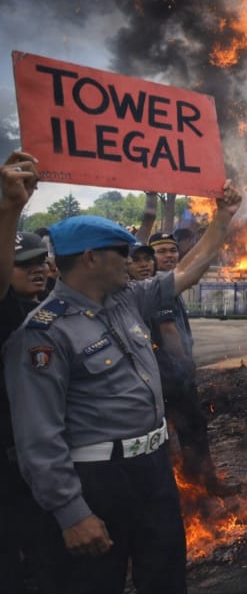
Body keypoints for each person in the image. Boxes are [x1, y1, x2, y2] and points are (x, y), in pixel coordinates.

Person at [3, 183, 241, 594]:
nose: (132, 260)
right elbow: (38, 437)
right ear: (91, 259)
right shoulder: (43, 334)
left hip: (153, 468)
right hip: (97, 480)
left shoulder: (127, 299)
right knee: (95, 581)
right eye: (121, 253)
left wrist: (223, 218)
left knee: (165, 575)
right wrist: (71, 512)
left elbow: (188, 270)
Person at [146, 230, 237, 497]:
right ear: (150, 257)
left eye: (172, 251)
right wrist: (186, 362)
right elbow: (168, 331)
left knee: (188, 430)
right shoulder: (158, 287)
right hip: (168, 377)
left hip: (170, 377)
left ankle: (196, 484)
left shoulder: (166, 284)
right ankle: (197, 487)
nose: (169, 256)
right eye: (161, 251)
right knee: (186, 430)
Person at [0, 152, 47, 594]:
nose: (37, 268)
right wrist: (11, 209)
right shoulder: (5, 310)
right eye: (24, 263)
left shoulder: (44, 310)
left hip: (41, 457)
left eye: (41, 261)